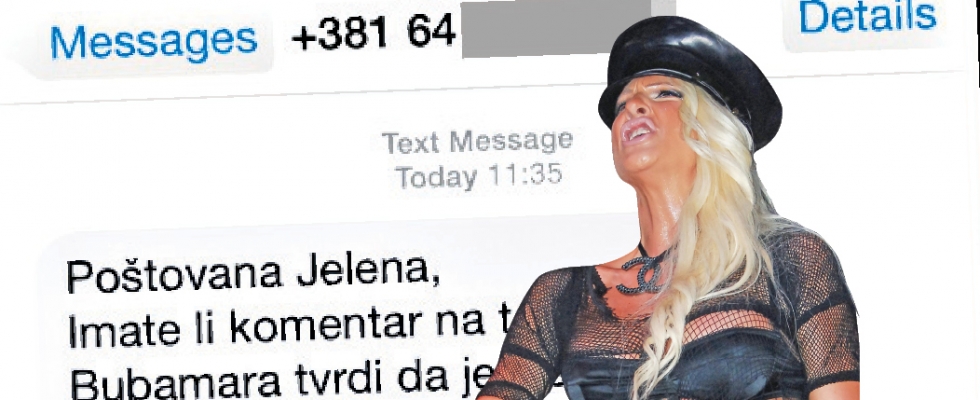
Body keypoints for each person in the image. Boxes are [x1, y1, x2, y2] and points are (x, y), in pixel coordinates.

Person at [475, 16, 859, 400]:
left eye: (663, 94)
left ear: (710, 128)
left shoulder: (788, 260)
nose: (633, 106)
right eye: (622, 104)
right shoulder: (563, 296)